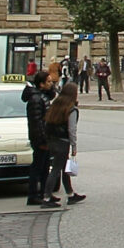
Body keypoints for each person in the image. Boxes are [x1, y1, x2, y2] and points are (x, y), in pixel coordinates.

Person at [37, 72, 78, 207]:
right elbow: (72, 129)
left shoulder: (56, 104)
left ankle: (70, 193)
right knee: (56, 169)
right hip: (63, 142)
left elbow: (47, 122)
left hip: (53, 140)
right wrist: (74, 146)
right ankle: (47, 198)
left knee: (63, 167)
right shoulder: (71, 109)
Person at [23, 63, 57, 205]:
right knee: (37, 167)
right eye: (48, 82)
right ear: (41, 84)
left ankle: (44, 193)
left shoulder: (42, 96)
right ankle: (33, 195)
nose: (51, 84)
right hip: (40, 139)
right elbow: (36, 122)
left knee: (44, 168)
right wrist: (42, 140)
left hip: (44, 137)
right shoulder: (36, 99)